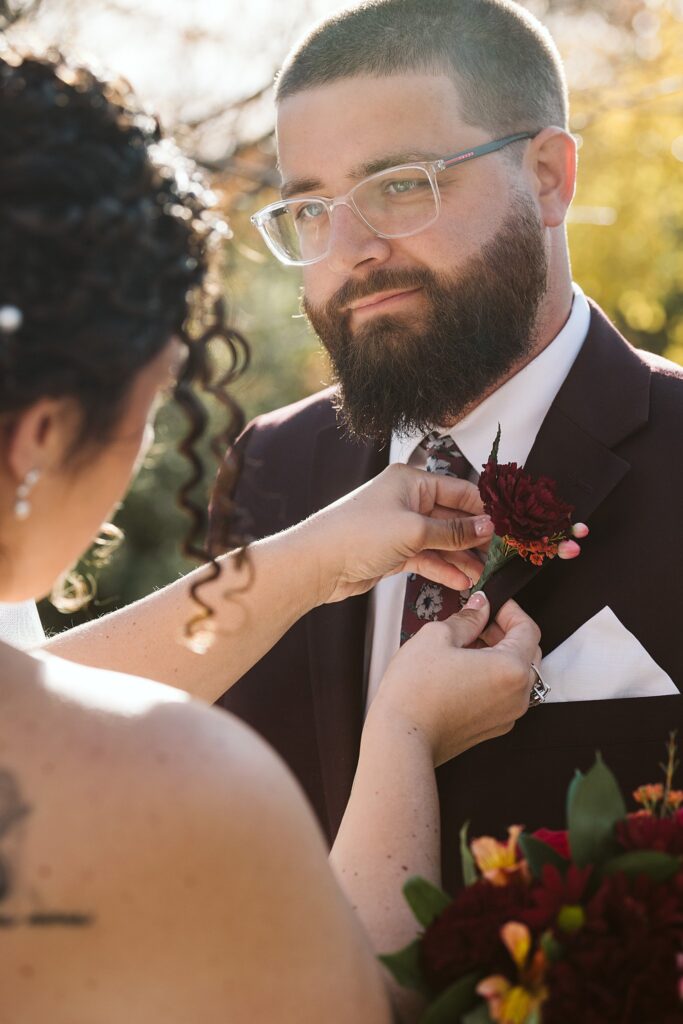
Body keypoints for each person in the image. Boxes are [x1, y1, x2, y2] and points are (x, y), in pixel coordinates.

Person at [0, 49, 543, 1022]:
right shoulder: (188, 786)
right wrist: (402, 734)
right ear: (41, 432)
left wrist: (304, 559)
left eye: (403, 186)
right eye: (155, 400)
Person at [207, 0, 683, 891]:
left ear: (547, 176)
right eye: (309, 207)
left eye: (400, 185)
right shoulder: (269, 467)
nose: (349, 249)